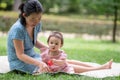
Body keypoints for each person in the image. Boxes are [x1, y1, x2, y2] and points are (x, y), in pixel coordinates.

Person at [7, 0, 50, 74]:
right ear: (24, 15)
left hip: (32, 56)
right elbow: (20, 55)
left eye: (39, 18)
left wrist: (50, 49)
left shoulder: (37, 24)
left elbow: (34, 41)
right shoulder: (18, 29)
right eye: (32, 19)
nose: (36, 21)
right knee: (52, 65)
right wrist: (40, 63)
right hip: (19, 62)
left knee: (56, 60)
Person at [40, 31, 113, 74]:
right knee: (72, 66)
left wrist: (56, 61)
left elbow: (63, 62)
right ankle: (100, 68)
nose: (53, 45)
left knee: (70, 62)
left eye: (56, 44)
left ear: (61, 45)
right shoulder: (45, 52)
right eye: (51, 43)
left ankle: (96, 67)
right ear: (48, 43)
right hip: (56, 69)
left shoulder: (61, 53)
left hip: (62, 66)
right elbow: (43, 62)